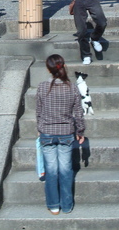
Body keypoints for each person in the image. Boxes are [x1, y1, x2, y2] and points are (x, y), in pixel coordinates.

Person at [36, 54, 85, 215]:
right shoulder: (72, 87)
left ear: (48, 69)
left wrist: (40, 127)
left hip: (47, 132)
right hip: (66, 133)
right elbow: (78, 112)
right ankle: (67, 205)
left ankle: (53, 205)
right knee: (65, 170)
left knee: (51, 170)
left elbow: (39, 111)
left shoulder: (42, 86)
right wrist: (80, 131)